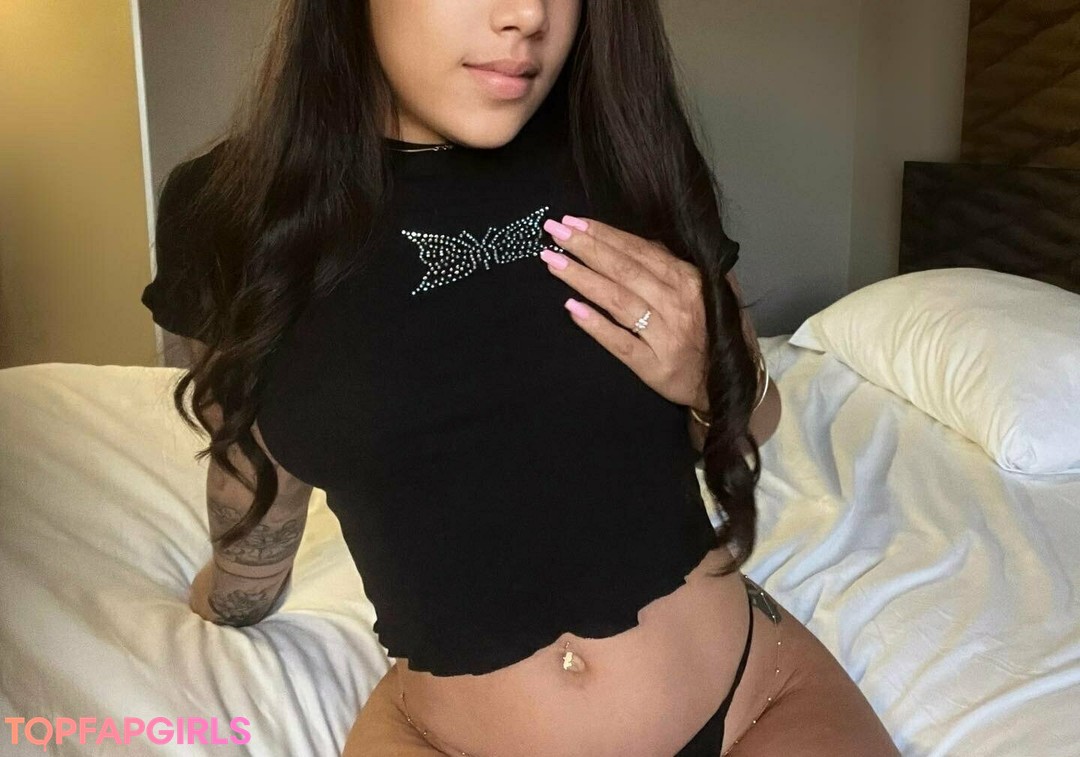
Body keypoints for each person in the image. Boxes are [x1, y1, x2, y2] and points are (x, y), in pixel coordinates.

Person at [141, 1, 900, 755]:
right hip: (441, 738)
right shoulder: (227, 208)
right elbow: (250, 449)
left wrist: (710, 379)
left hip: (757, 703)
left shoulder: (624, 144)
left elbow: (754, 417)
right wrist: (234, 595)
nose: (529, 14)